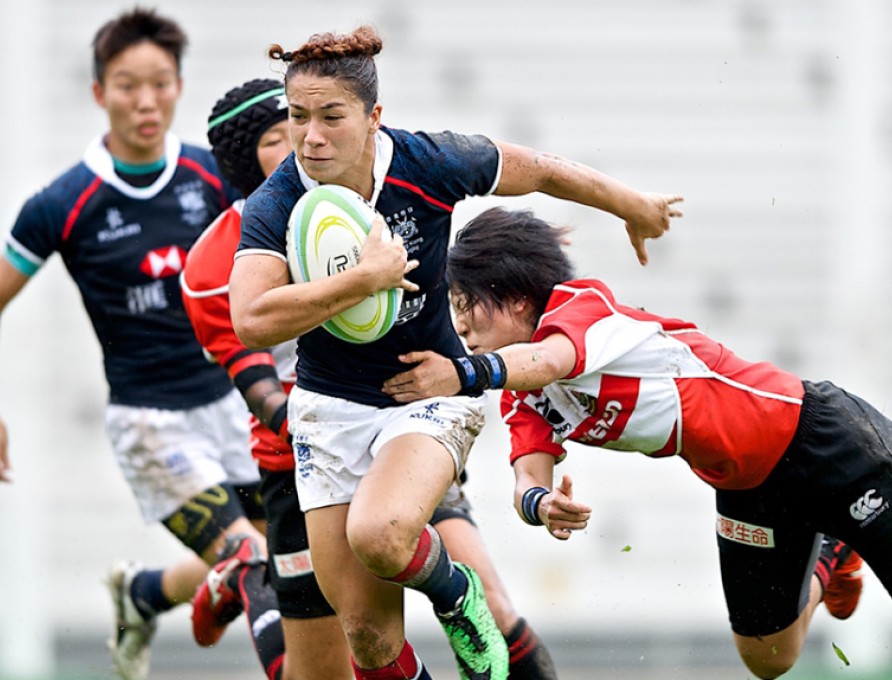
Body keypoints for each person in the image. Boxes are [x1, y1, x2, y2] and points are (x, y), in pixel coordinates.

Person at [380, 206, 892, 680]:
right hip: (747, 490)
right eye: (453, 307)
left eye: (469, 304)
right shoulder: (517, 387)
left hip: (825, 445)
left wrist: (461, 373)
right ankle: (830, 556)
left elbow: (551, 361)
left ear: (517, 296)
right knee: (768, 659)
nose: (460, 325)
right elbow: (529, 470)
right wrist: (541, 504)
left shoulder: (581, 309)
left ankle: (838, 536)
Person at [228, 25, 682, 680]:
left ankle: (454, 592)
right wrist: (361, 280)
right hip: (327, 411)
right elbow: (251, 319)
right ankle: (445, 604)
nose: (311, 137)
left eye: (332, 117)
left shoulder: (428, 162)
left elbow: (542, 171)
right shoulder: (277, 202)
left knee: (381, 536)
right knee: (367, 637)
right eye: (298, 117)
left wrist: (630, 203)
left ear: (373, 116)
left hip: (430, 392)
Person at [183, 76, 558, 680]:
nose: (307, 141)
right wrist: (319, 420)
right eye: (281, 135)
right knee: (340, 655)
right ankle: (253, 581)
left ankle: (456, 599)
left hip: (404, 428)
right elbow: (251, 368)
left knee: (493, 602)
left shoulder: (373, 199)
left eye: (320, 121)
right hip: (300, 454)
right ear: (242, 163)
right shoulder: (217, 262)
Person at [0, 9, 265, 680]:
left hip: (238, 404)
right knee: (257, 568)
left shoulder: (215, 179)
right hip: (151, 421)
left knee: (278, 554)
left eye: (160, 83)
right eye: (127, 85)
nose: (145, 101)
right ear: (98, 93)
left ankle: (143, 594)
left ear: (178, 85)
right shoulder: (62, 203)